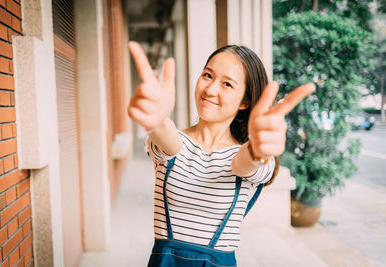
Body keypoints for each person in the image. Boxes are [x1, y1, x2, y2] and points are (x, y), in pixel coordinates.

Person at [127, 41, 315, 267]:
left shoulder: (249, 157)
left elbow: (243, 163)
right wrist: (156, 121)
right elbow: (169, 141)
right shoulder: (172, 144)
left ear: (245, 101)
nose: (211, 89)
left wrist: (257, 148)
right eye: (208, 75)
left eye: (227, 84)